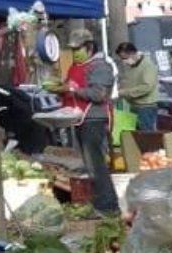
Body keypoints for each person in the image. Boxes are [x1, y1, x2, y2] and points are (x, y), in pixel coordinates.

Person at [45, 29, 119, 216]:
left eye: (77, 49)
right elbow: (71, 89)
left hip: (94, 119)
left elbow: (98, 94)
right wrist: (58, 89)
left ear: (89, 47)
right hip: (78, 119)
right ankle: (98, 203)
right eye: (72, 49)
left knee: (96, 165)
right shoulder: (74, 67)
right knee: (89, 165)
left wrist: (72, 89)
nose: (74, 52)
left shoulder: (101, 67)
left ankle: (108, 207)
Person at [114, 42, 158, 131]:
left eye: (125, 58)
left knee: (146, 136)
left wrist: (123, 92)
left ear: (132, 53)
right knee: (133, 137)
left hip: (145, 107)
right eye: (122, 58)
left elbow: (146, 87)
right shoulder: (129, 66)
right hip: (132, 105)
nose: (124, 61)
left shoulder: (148, 65)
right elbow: (125, 81)